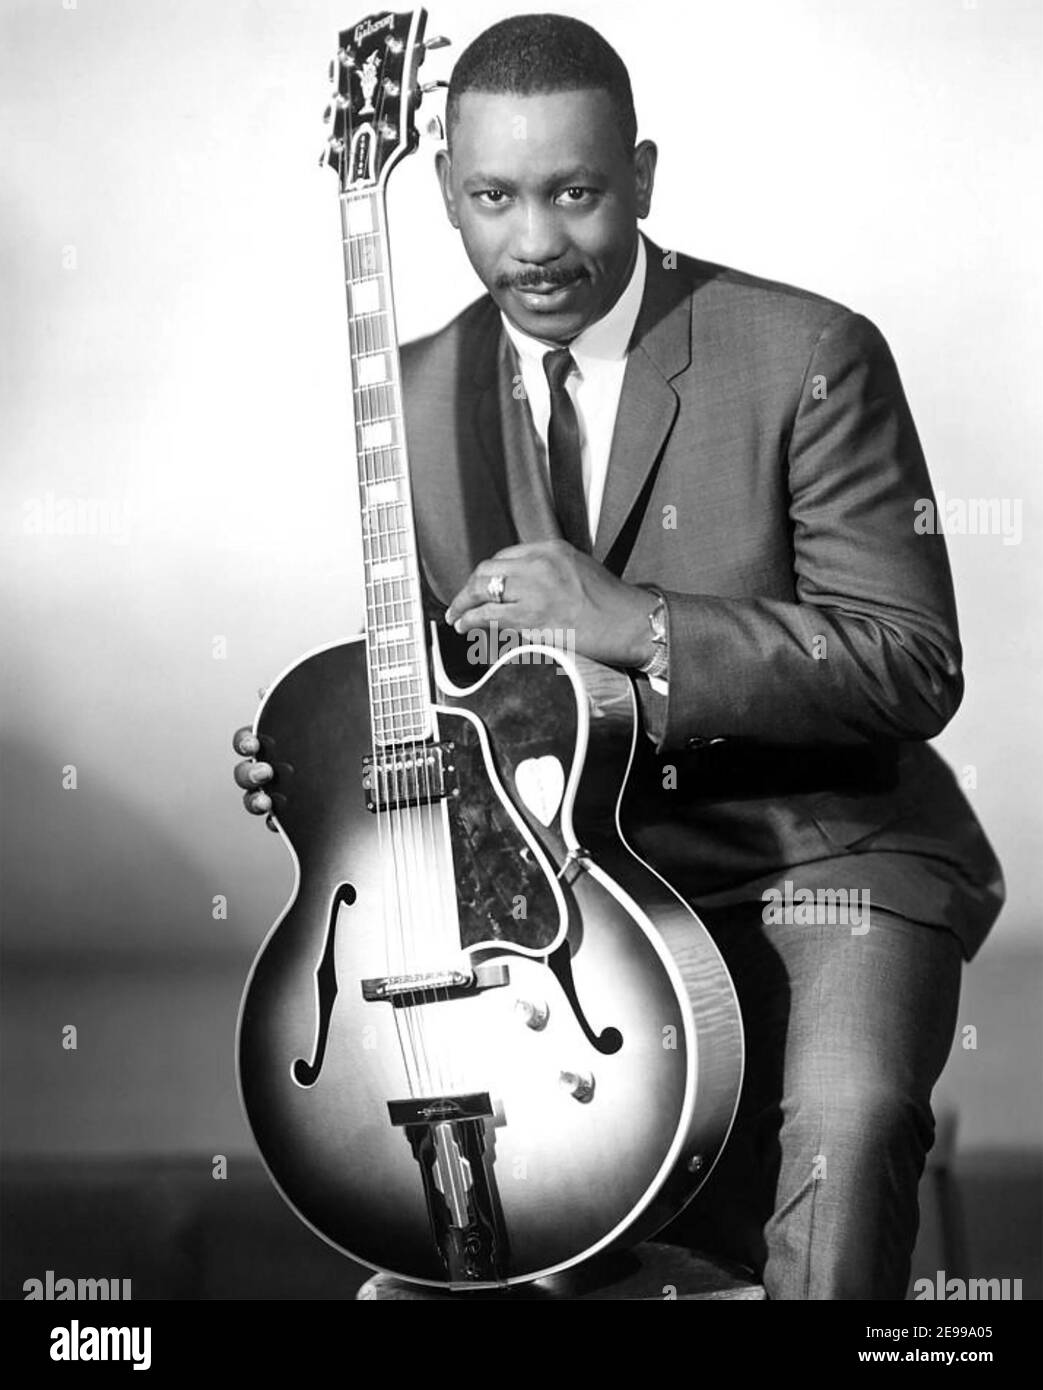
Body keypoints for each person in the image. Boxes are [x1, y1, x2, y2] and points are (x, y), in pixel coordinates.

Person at [234, 13, 1004, 1299]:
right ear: (442, 195)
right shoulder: (412, 395)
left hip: (829, 862)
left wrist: (632, 623)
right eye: (492, 197)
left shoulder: (809, 354)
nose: (533, 241)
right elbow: (462, 700)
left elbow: (910, 662)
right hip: (575, 894)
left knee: (847, 1121)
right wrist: (322, 761)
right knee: (450, 1259)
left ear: (638, 178)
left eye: (574, 192)